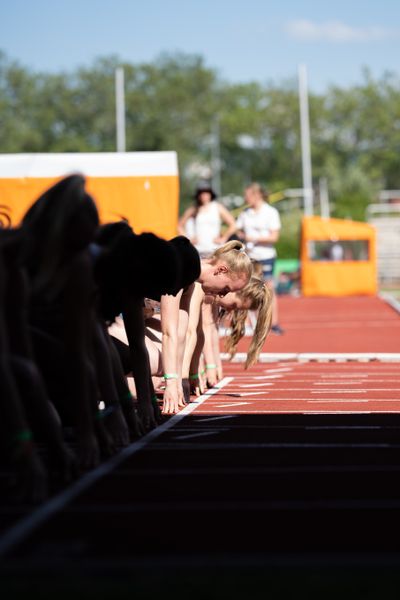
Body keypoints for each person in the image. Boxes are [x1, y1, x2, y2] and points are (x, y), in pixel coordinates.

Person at [236, 182, 284, 335]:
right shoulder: (245, 214)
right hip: (250, 257)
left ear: (256, 195)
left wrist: (254, 238)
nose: (245, 198)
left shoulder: (270, 212)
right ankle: (250, 324)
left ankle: (273, 323)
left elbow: (274, 237)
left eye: (247, 195)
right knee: (248, 289)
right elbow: (236, 229)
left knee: (268, 289)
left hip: (266, 257)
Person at [178, 181, 237, 257]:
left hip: (214, 250)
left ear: (210, 194)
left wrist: (223, 238)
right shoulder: (194, 209)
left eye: (206, 192)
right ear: (198, 195)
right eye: (201, 193)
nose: (204, 195)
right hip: (198, 250)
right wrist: (188, 239)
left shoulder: (218, 207)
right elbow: (179, 226)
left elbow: (233, 225)